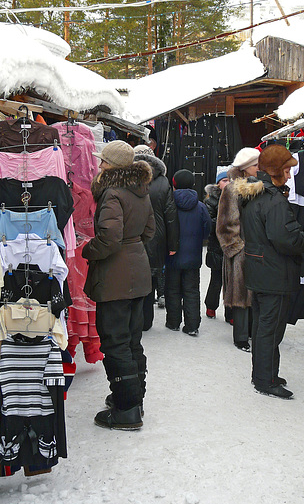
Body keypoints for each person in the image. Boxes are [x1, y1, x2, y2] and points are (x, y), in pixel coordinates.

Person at [82, 140, 155, 430]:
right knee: (131, 339)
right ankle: (133, 399)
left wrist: (88, 249)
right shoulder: (141, 190)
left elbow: (110, 239)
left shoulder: (111, 192)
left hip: (115, 277)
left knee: (114, 341)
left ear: (112, 166)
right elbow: (149, 231)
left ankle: (126, 409)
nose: (99, 166)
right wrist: (131, 249)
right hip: (138, 271)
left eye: (103, 162)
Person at [237, 144, 304, 399]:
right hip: (274, 272)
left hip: (260, 269)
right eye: (287, 170)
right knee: (270, 329)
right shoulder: (274, 200)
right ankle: (265, 380)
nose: (290, 175)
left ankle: (264, 374)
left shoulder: (254, 194)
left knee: (262, 327)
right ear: (276, 171)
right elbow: (284, 239)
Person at [216, 147, 260, 352]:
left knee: (254, 291)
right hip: (241, 249)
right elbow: (225, 222)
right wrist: (236, 247)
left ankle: (252, 332)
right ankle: (241, 336)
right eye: (255, 165)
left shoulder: (259, 186)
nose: (259, 168)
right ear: (245, 168)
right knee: (240, 292)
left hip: (257, 247)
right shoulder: (232, 189)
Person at [133, 144, 179, 331]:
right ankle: (146, 321)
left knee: (132, 279)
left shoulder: (128, 179)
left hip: (133, 236)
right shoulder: (163, 182)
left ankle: (133, 321)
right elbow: (171, 215)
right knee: (150, 280)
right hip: (156, 238)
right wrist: (173, 243)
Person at [164, 169, 211, 336]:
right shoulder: (200, 206)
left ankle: (173, 322)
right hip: (193, 256)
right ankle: (192, 325)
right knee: (192, 290)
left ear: (174, 184)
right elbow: (207, 230)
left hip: (172, 255)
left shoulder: (169, 204)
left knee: (172, 289)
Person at [203, 168, 232, 322]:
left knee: (231, 283)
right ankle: (211, 306)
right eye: (224, 180)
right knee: (216, 280)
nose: (227, 183)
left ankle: (231, 313)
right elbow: (209, 223)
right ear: (218, 183)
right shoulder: (211, 201)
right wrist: (225, 222)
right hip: (216, 247)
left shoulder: (235, 198)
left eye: (229, 180)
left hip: (232, 246)